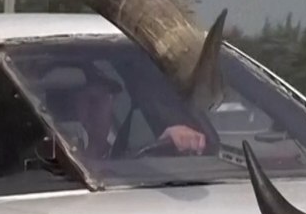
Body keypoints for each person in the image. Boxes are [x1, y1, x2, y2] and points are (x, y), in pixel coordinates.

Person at [68, 66, 206, 159]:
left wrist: (171, 140)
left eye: (100, 99)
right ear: (76, 106)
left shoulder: (128, 147)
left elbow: (147, 165)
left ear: (112, 102)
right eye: (89, 100)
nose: (94, 108)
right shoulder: (62, 152)